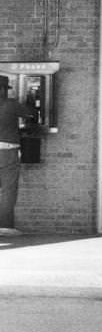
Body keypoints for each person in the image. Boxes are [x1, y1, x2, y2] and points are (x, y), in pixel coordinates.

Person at [0, 75, 36, 237]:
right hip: (8, 150)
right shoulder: (11, 104)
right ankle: (6, 225)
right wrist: (31, 96)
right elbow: (32, 113)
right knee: (8, 189)